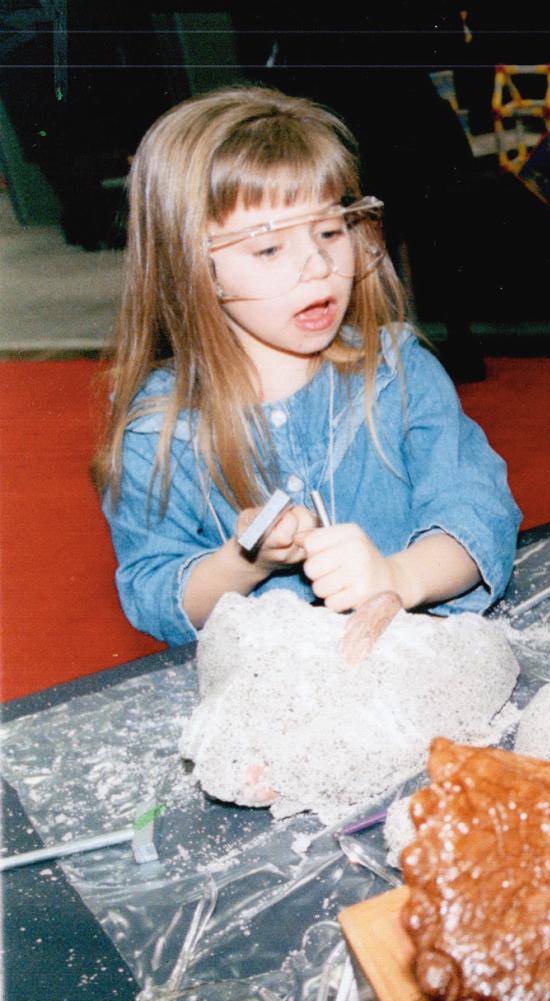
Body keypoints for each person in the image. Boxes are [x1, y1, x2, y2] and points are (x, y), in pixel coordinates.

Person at [90, 86, 521, 646]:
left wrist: (399, 577)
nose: (318, 266)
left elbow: (479, 514)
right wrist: (246, 561)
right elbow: (152, 589)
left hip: (419, 662)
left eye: (329, 230)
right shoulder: (159, 427)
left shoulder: (399, 373)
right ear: (193, 267)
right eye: (269, 249)